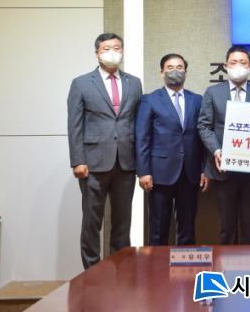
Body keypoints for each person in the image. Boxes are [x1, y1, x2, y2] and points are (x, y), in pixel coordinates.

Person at [67, 32, 143, 269]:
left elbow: (137, 123)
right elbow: (74, 124)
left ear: (122, 52)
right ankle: (92, 272)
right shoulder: (81, 83)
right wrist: (77, 160)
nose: (112, 52)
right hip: (93, 163)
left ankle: (121, 270)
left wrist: (141, 162)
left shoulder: (134, 82)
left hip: (126, 162)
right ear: (97, 54)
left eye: (117, 48)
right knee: (92, 222)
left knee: (122, 222)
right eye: (106, 48)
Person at [197, 45, 250, 244]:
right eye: (234, 62)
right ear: (225, 65)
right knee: (226, 227)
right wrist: (216, 150)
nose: (238, 66)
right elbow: (204, 126)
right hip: (223, 169)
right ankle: (226, 263)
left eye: (243, 62)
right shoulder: (213, 92)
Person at [135, 53, 209, 246]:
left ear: (186, 72)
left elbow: (202, 137)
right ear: (162, 73)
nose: (175, 71)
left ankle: (185, 264)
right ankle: (156, 265)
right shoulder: (150, 100)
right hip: (159, 173)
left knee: (187, 227)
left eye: (179, 67)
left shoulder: (197, 100)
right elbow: (142, 137)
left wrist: (203, 169)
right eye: (170, 68)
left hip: (190, 172)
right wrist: (143, 171)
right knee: (158, 228)